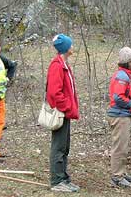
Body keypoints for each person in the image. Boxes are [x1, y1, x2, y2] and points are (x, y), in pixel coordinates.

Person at [47, 34, 80, 192]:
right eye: (71, 44)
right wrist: (67, 107)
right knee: (59, 147)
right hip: (60, 113)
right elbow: (55, 93)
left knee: (64, 147)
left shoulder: (64, 64)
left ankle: (64, 178)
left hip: (65, 113)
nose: (73, 46)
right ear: (65, 47)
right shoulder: (57, 65)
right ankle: (57, 181)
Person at [107, 47, 131, 188]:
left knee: (123, 147)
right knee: (119, 147)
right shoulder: (122, 77)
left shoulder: (125, 75)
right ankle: (116, 177)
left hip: (123, 115)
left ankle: (121, 172)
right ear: (127, 62)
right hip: (119, 116)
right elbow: (118, 97)